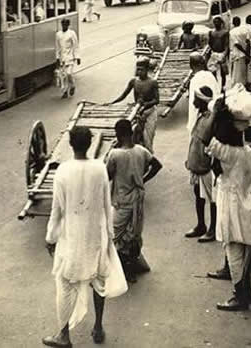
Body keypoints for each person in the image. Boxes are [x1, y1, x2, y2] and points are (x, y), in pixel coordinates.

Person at [44, 126, 126, 347]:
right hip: (95, 234)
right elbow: (106, 206)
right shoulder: (99, 168)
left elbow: (57, 210)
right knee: (98, 281)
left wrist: (50, 237)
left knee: (65, 282)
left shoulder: (62, 171)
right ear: (90, 143)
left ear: (70, 145)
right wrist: (109, 236)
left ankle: (64, 334)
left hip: (72, 236)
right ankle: (98, 327)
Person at [199, 99, 251, 311]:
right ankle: (247, 291)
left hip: (233, 209)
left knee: (234, 252)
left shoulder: (228, 154)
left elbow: (204, 138)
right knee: (246, 251)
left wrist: (216, 113)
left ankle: (240, 296)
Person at [105, 118, 162, 282]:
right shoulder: (141, 151)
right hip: (137, 198)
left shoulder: (114, 155)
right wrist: (142, 180)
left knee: (118, 236)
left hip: (121, 201)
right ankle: (131, 267)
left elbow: (107, 176)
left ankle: (125, 271)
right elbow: (157, 165)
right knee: (134, 234)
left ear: (118, 135)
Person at [185, 85, 218, 243]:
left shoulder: (212, 118)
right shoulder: (201, 116)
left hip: (206, 165)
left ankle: (212, 229)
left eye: (196, 99)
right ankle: (201, 225)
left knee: (212, 198)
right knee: (198, 195)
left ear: (203, 101)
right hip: (197, 163)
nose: (193, 102)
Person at [111, 58, 160, 152]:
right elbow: (123, 95)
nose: (139, 71)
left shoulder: (152, 82)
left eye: (141, 69)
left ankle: (149, 156)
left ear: (147, 69)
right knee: (133, 137)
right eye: (138, 69)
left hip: (149, 112)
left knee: (148, 139)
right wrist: (112, 102)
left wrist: (145, 105)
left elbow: (156, 100)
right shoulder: (133, 81)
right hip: (137, 112)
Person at [187, 51, 220, 135]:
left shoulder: (194, 80)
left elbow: (193, 105)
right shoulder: (210, 76)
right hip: (213, 115)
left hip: (200, 117)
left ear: (191, 65)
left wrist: (192, 124)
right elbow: (217, 95)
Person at [55, 19, 80, 98]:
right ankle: (65, 91)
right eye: (63, 24)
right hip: (62, 58)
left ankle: (72, 86)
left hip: (70, 57)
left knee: (69, 73)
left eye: (65, 25)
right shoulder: (58, 34)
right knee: (64, 76)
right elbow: (57, 47)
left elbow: (75, 45)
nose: (64, 26)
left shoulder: (71, 33)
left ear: (68, 25)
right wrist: (57, 58)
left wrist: (77, 57)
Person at [228, 16, 250, 90]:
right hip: (244, 55)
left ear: (233, 23)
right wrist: (247, 53)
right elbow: (248, 42)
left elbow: (236, 44)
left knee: (236, 74)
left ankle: (238, 87)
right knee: (243, 72)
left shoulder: (232, 32)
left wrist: (244, 51)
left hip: (237, 54)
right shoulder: (245, 30)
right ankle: (244, 86)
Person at [207, 16, 229, 87]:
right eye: (215, 22)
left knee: (223, 73)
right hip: (214, 53)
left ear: (221, 22)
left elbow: (226, 45)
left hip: (222, 53)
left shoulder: (224, 32)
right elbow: (210, 44)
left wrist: (224, 54)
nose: (216, 23)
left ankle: (223, 87)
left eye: (218, 22)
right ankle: (215, 85)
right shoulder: (211, 33)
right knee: (213, 71)